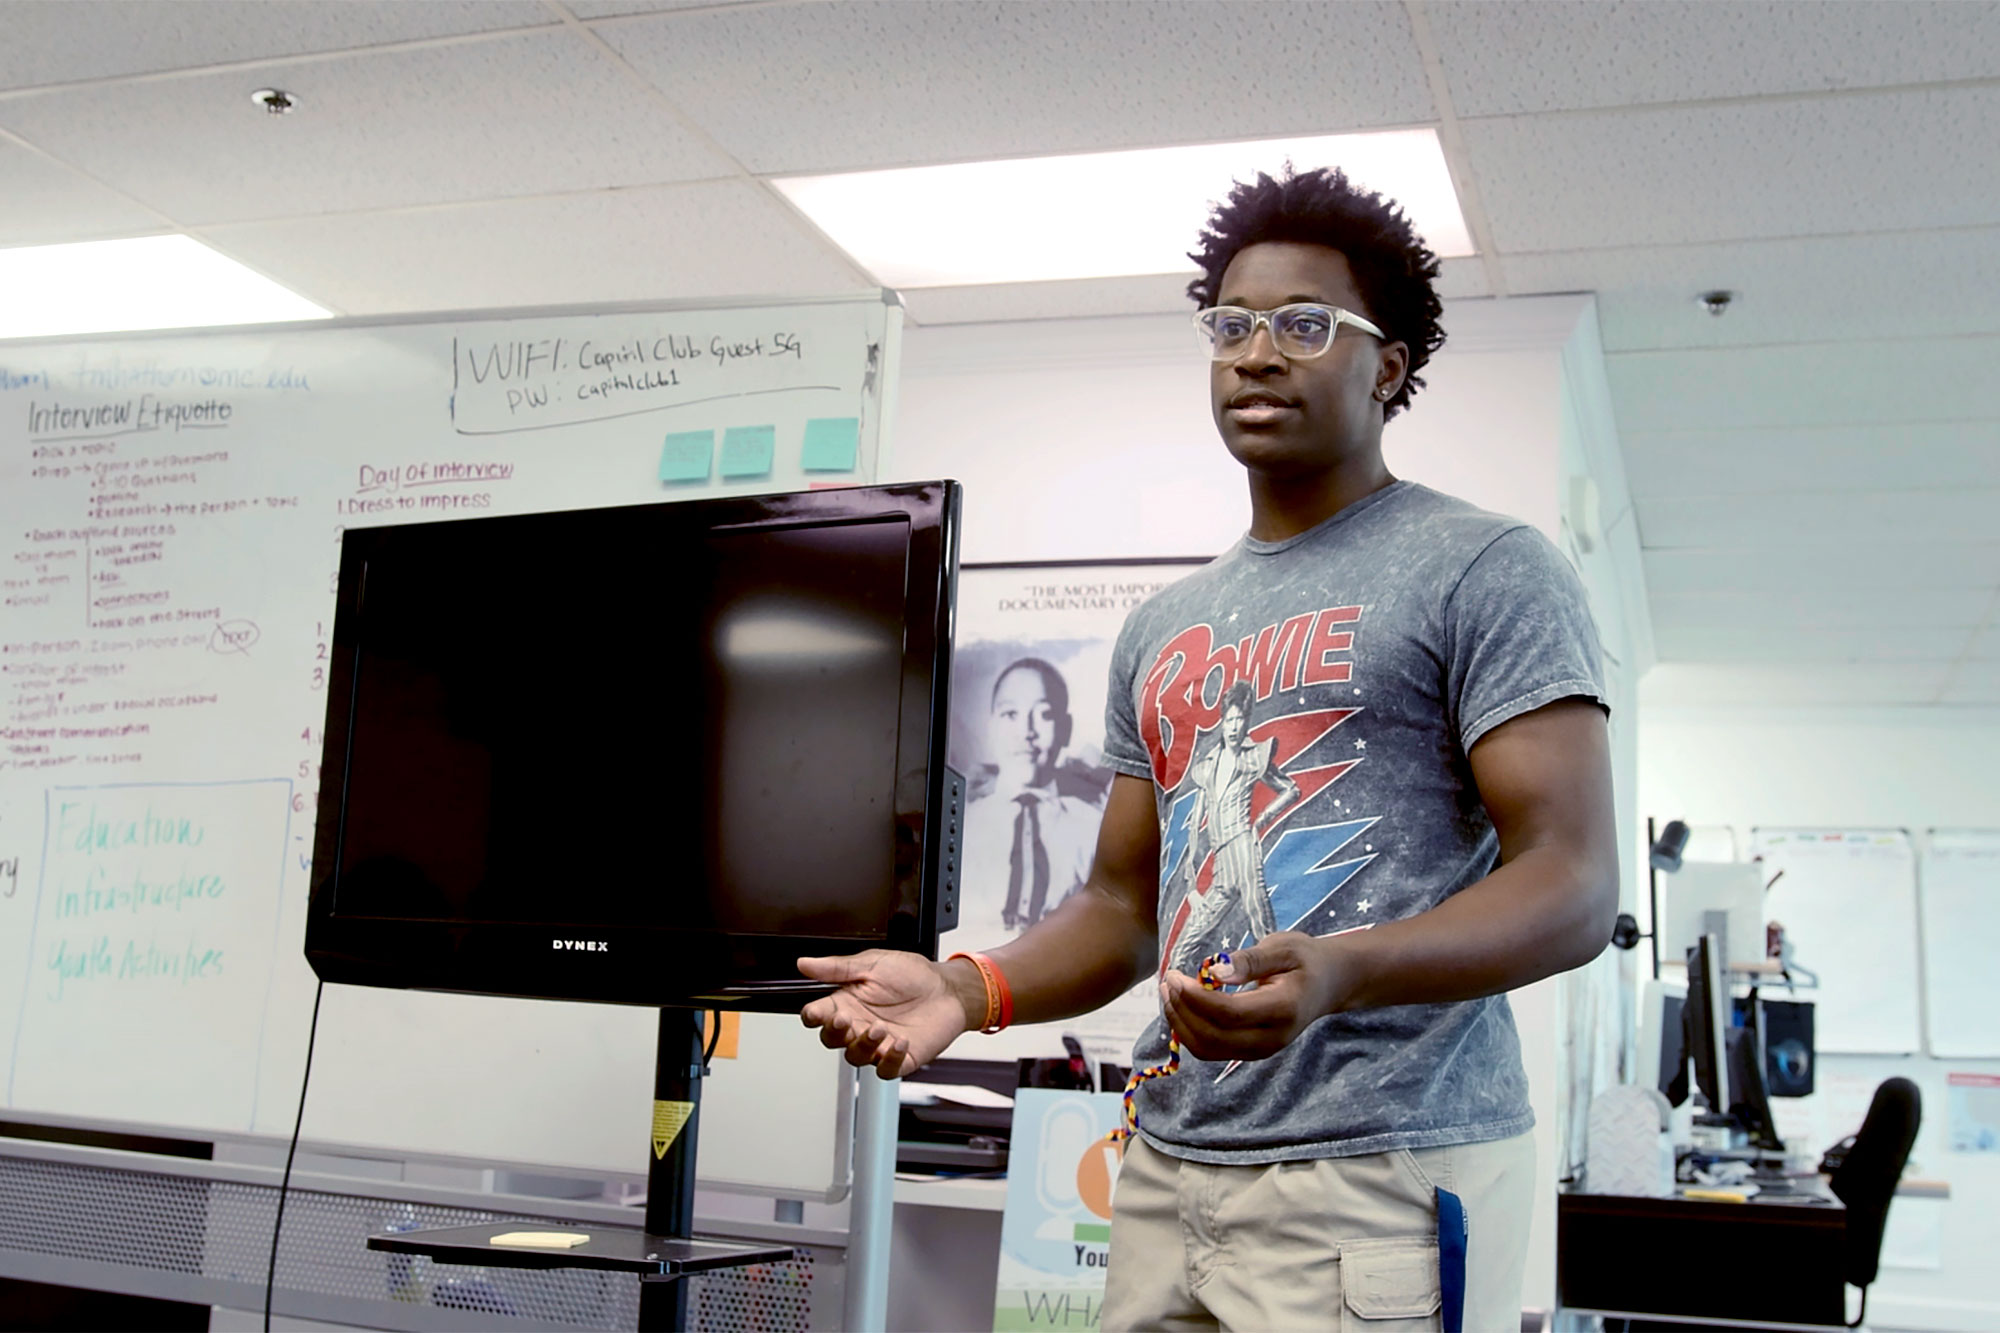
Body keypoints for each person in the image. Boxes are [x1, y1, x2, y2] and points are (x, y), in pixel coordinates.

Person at [799, 166, 1618, 1331]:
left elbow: (1573, 883)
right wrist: (966, 988)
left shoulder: (1483, 568)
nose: (1254, 353)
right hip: (1171, 1162)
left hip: (1377, 1166)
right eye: (1230, 326)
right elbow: (1124, 906)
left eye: (1303, 325)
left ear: (1385, 367)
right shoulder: (1164, 627)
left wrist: (1339, 970)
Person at [949, 657, 1102, 952]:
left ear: (1065, 728)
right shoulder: (961, 827)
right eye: (1010, 715)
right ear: (991, 725)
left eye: (1044, 714)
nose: (1027, 732)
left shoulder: (1094, 830)